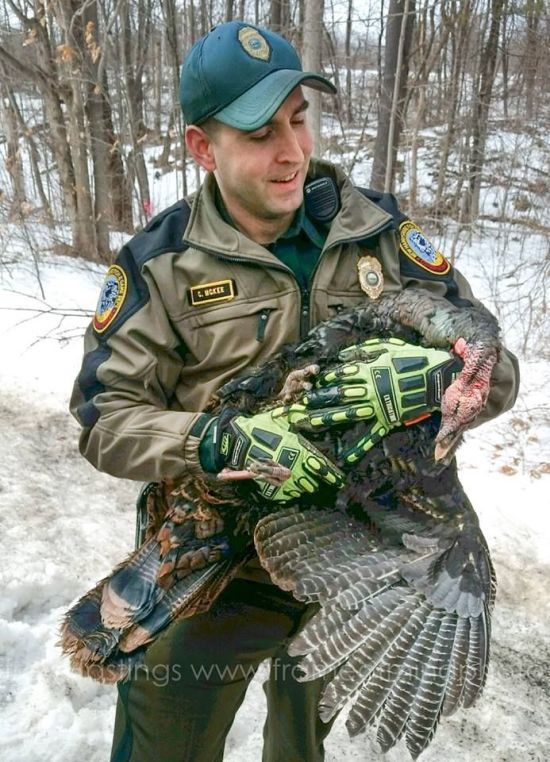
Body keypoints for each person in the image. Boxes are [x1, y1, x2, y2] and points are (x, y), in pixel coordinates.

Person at [70, 20, 519, 762]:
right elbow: (102, 419)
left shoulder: (380, 233)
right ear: (202, 148)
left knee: (301, 745)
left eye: (299, 119)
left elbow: (490, 366)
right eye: (258, 133)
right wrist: (211, 442)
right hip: (218, 556)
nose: (291, 152)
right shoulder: (161, 264)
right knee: (164, 738)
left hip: (353, 551)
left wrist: (429, 385)